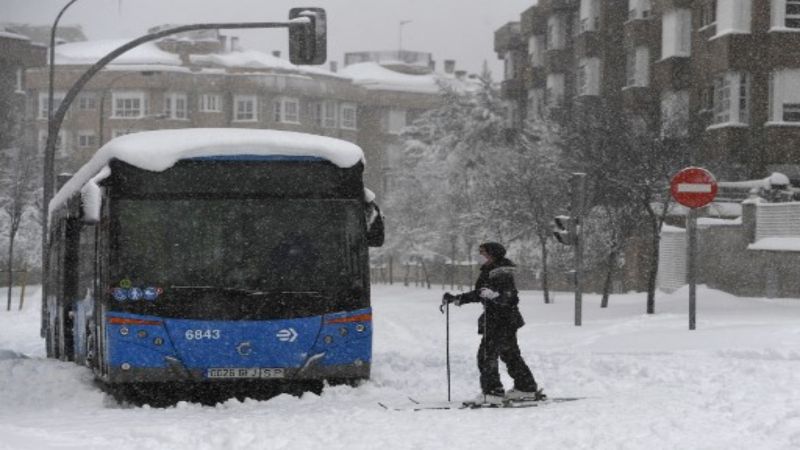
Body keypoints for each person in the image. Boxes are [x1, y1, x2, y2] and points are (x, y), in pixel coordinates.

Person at [442, 242, 544, 405]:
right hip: (502, 320)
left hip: (501, 320)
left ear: (492, 254)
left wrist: (495, 296)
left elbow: (511, 297)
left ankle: (493, 392)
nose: (479, 255)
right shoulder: (492, 270)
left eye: (482, 252)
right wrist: (457, 299)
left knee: (486, 356)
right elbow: (480, 293)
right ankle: (526, 387)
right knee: (510, 355)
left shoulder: (501, 272)